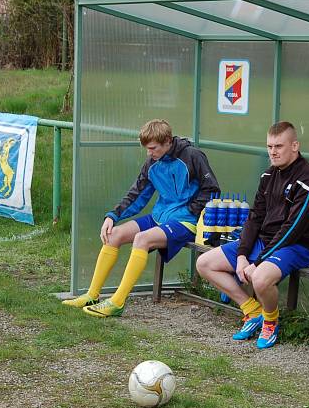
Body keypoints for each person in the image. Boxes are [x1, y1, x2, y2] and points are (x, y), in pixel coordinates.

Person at [62, 119, 220, 317]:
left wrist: (189, 210)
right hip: (160, 217)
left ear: (168, 141)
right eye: (146, 148)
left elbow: (212, 189)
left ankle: (117, 302)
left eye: (153, 148)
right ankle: (92, 295)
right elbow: (137, 194)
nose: (149, 153)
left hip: (186, 222)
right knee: (114, 235)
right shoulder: (152, 163)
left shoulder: (192, 156)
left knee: (141, 239)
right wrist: (113, 216)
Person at [195, 121, 309, 349]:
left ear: (295, 145)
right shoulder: (268, 175)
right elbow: (255, 217)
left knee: (260, 278)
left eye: (279, 146)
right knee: (204, 263)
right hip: (265, 242)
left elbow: (292, 229)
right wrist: (242, 255)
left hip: (296, 246)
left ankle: (270, 320)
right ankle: (252, 309)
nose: (273, 152)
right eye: (269, 146)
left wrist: (258, 261)